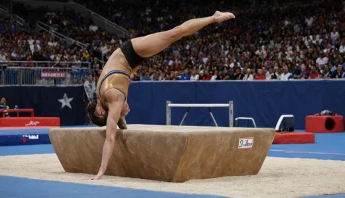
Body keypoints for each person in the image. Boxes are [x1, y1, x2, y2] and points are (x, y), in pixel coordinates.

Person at [86, 11, 235, 180]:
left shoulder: (114, 98)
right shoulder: (101, 95)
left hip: (131, 53)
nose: (124, 110)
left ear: (101, 112)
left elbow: (110, 138)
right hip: (126, 63)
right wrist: (120, 118)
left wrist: (101, 170)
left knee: (175, 33)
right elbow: (119, 122)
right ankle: (212, 18)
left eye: (111, 115)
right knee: (121, 112)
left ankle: (214, 17)